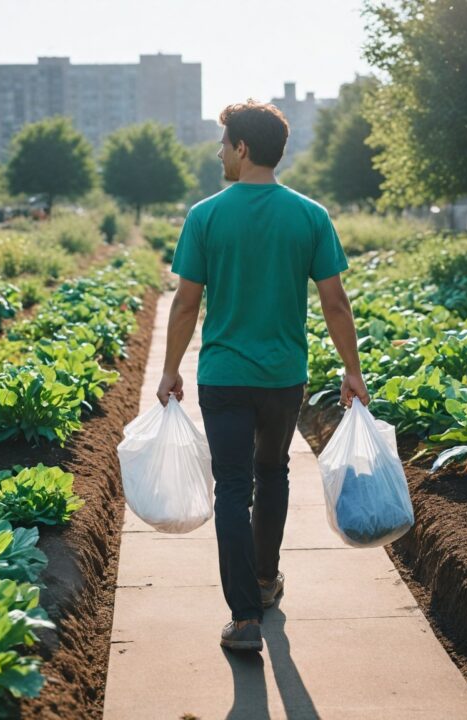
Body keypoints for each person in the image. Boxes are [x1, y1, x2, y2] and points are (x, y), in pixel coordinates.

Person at [156, 100, 369, 652]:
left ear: (243, 148)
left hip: (224, 376)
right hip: (282, 377)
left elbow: (184, 307)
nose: (219, 151)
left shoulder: (205, 216)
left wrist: (170, 371)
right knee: (272, 474)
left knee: (232, 485)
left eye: (223, 142)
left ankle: (245, 617)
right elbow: (336, 303)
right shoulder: (310, 216)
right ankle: (266, 578)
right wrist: (352, 371)